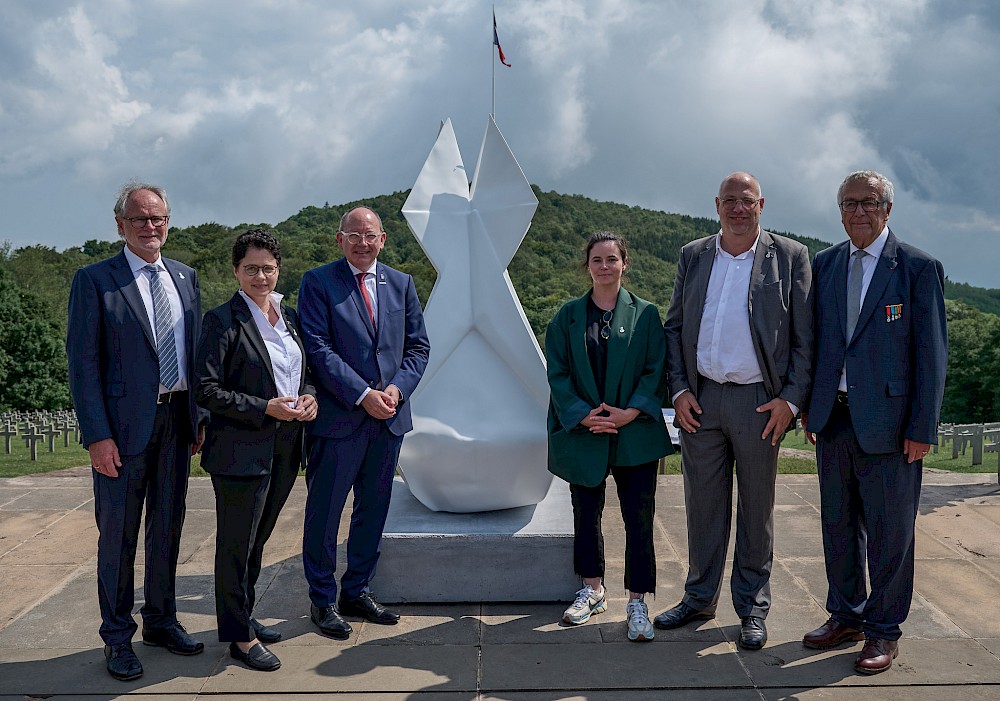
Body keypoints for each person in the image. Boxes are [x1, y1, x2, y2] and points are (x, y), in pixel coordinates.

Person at [655, 172, 813, 651]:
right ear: (716, 205)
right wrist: (679, 390)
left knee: (756, 510)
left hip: (759, 403)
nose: (738, 208)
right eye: (729, 201)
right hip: (701, 400)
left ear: (761, 204)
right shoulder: (694, 254)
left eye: (746, 201)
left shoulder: (790, 256)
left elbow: (808, 338)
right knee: (702, 507)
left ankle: (752, 608)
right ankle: (699, 598)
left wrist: (791, 401)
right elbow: (674, 326)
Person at [803, 170, 947, 674]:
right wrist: (810, 406)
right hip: (833, 418)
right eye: (848, 203)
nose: (858, 211)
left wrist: (922, 428)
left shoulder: (916, 267)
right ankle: (845, 615)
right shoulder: (824, 264)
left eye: (868, 202)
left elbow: (931, 355)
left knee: (891, 535)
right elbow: (818, 342)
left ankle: (883, 632)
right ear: (839, 210)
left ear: (887, 209)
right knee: (837, 526)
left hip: (892, 425)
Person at [66, 182, 206, 681]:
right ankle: (117, 637)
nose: (151, 226)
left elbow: (195, 354)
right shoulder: (95, 280)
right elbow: (83, 365)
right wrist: (96, 435)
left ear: (168, 221)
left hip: (176, 423)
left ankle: (162, 620)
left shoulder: (186, 277)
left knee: (167, 529)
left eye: (159, 218)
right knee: (119, 538)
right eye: (140, 218)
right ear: (120, 225)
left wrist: (198, 420)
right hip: (122, 433)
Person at [298, 206, 430, 638]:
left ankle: (356, 590)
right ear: (340, 240)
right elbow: (317, 349)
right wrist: (362, 394)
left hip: (388, 419)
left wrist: (395, 390)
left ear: (383, 238)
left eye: (369, 234)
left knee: (373, 510)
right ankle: (322, 600)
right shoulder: (318, 282)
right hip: (340, 419)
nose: (361, 242)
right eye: (352, 234)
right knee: (325, 513)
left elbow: (418, 347)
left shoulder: (402, 283)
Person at [194, 229, 318, 672]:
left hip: (286, 446)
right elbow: (206, 389)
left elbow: (303, 372)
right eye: (251, 268)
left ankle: (241, 615)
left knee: (258, 540)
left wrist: (309, 396)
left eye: (267, 267)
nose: (260, 275)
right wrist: (264, 406)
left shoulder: (291, 317)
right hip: (240, 449)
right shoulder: (222, 320)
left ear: (278, 269)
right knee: (235, 545)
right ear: (236, 271)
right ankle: (238, 637)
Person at [546, 231, 672, 642]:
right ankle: (592, 589)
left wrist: (629, 412)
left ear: (625, 264)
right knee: (586, 514)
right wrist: (585, 416)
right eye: (597, 259)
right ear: (587, 265)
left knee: (639, 518)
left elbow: (657, 368)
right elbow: (558, 373)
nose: (604, 266)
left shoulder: (647, 314)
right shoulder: (566, 316)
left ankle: (637, 600)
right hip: (585, 433)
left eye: (612, 259)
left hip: (633, 432)